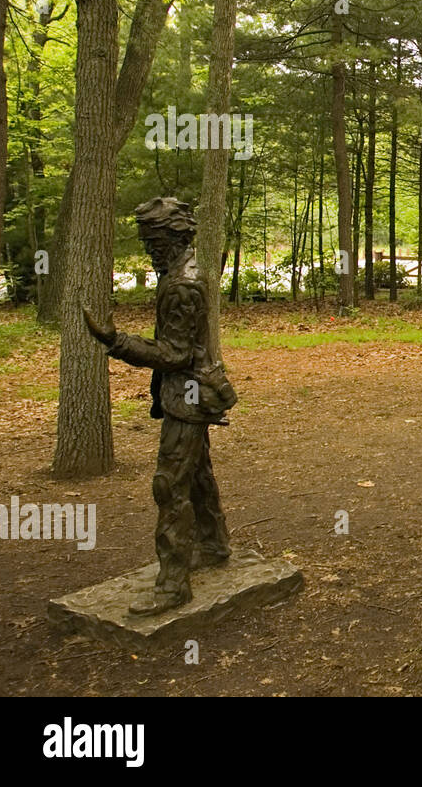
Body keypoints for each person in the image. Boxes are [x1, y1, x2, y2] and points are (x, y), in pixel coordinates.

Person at [85, 197, 237, 616]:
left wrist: (117, 342)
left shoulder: (182, 284)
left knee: (169, 484)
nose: (147, 246)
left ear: (172, 237)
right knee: (198, 473)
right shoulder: (181, 274)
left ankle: (173, 585)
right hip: (190, 393)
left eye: (151, 238)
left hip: (188, 396)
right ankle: (213, 543)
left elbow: (174, 355)